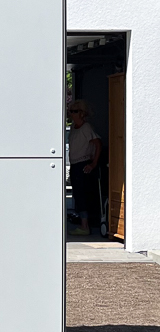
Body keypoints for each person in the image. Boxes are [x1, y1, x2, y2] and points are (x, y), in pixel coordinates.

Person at [67, 99, 101, 236]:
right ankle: (82, 223)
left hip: (82, 164)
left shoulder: (86, 128)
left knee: (82, 195)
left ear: (81, 113)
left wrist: (93, 164)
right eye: (71, 111)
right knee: (77, 194)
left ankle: (84, 226)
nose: (71, 114)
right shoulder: (73, 127)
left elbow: (98, 144)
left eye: (74, 111)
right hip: (75, 164)